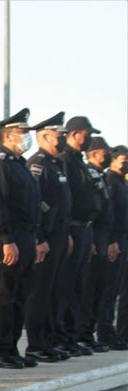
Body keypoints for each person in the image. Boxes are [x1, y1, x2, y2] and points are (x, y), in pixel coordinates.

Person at [0, 109, 48, 369]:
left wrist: (34, 239)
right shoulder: (0, 162)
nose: (27, 137)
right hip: (8, 236)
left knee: (20, 294)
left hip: (25, 234)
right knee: (5, 294)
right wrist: (6, 239)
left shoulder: (18, 164)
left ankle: (11, 347)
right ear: (8, 135)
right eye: (22, 133)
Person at [23, 112, 72, 362]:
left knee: (54, 290)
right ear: (43, 136)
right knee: (40, 291)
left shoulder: (56, 163)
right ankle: (36, 343)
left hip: (61, 234)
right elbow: (35, 203)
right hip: (46, 236)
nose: (62, 138)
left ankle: (49, 339)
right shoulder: (38, 163)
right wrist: (39, 237)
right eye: (58, 135)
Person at [57, 115, 102, 356]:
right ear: (74, 134)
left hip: (84, 228)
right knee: (66, 285)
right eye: (86, 134)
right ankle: (62, 336)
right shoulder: (65, 160)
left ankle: (72, 336)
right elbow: (66, 199)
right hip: (71, 227)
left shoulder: (78, 161)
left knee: (77, 286)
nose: (89, 139)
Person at [80, 137, 122, 349]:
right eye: (105, 152)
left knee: (102, 289)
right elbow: (93, 211)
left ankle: (95, 334)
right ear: (95, 153)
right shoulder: (89, 173)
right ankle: (87, 334)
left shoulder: (101, 176)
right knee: (90, 289)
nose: (107, 155)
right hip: (95, 234)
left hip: (105, 235)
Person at [109, 145, 128, 348]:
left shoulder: (122, 183)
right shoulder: (110, 181)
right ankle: (117, 334)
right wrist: (112, 239)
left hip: (123, 239)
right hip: (116, 240)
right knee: (113, 290)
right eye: (123, 160)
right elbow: (111, 215)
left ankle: (122, 334)